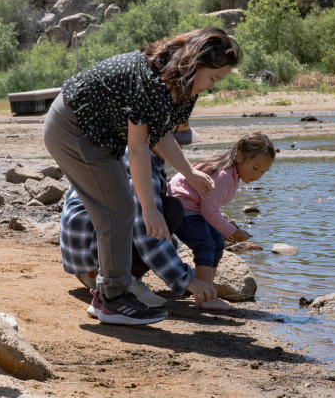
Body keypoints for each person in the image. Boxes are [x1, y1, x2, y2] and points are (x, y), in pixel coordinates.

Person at [43, 27, 240, 325]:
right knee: (119, 209)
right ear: (197, 63)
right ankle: (112, 300)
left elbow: (161, 135)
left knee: (119, 209)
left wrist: (188, 173)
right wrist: (148, 208)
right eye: (213, 78)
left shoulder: (182, 88)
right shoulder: (153, 81)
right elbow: (138, 149)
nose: (212, 87)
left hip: (96, 133)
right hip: (72, 128)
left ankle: (108, 295)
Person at [60, 125, 217, 309]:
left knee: (169, 239)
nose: (180, 151)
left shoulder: (126, 149)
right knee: (171, 210)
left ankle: (106, 274)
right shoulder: (142, 167)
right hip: (91, 255)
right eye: (178, 144)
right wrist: (187, 280)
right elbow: (145, 233)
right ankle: (120, 280)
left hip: (79, 251)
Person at [168, 132, 276, 310]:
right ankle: (204, 297)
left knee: (217, 242)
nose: (258, 175)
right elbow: (209, 211)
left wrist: (226, 226)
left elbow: (210, 206)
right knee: (206, 245)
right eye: (255, 168)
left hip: (190, 207)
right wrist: (232, 232)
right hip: (182, 209)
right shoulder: (225, 175)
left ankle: (206, 288)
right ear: (239, 155)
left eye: (263, 172)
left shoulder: (230, 171)